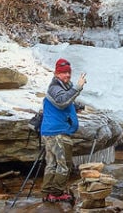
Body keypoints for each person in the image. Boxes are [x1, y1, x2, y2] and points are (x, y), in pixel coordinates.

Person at [39, 58, 86, 203]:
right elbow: (62, 101)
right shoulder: (54, 87)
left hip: (50, 132)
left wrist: (77, 106)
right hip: (57, 133)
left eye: (68, 73)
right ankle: (57, 193)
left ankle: (47, 192)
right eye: (63, 73)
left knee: (52, 164)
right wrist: (77, 87)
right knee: (63, 165)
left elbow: (65, 102)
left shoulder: (61, 87)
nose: (67, 75)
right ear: (56, 73)